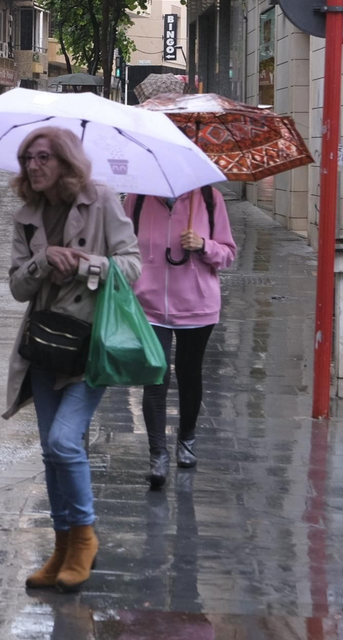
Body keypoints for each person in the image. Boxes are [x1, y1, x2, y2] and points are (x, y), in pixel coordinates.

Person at [5, 127, 140, 593]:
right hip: (44, 344)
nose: (34, 167)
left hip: (89, 345)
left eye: (43, 158)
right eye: (27, 159)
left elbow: (133, 265)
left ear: (64, 161)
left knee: (65, 443)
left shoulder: (100, 199)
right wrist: (44, 261)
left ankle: (84, 539)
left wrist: (85, 264)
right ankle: (61, 547)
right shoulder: (27, 215)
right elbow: (17, 286)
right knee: (50, 450)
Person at [129, 187, 238, 490]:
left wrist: (204, 245)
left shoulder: (208, 198)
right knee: (156, 376)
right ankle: (158, 455)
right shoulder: (137, 198)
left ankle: (186, 440)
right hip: (149, 306)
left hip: (197, 305)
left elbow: (228, 253)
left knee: (189, 374)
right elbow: (121, 248)